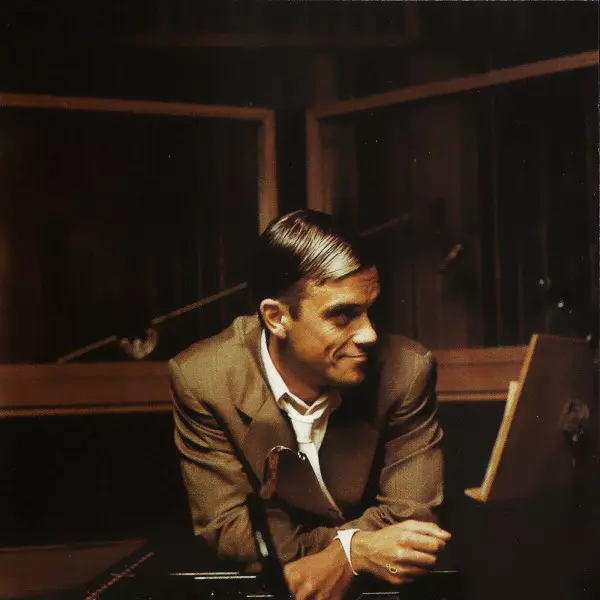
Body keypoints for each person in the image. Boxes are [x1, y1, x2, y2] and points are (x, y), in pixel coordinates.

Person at [169, 210, 450, 600]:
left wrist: (341, 558)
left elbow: (412, 520)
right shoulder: (203, 377)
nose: (369, 334)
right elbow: (233, 532)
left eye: (370, 309)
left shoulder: (407, 369)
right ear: (276, 317)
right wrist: (355, 550)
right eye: (343, 316)